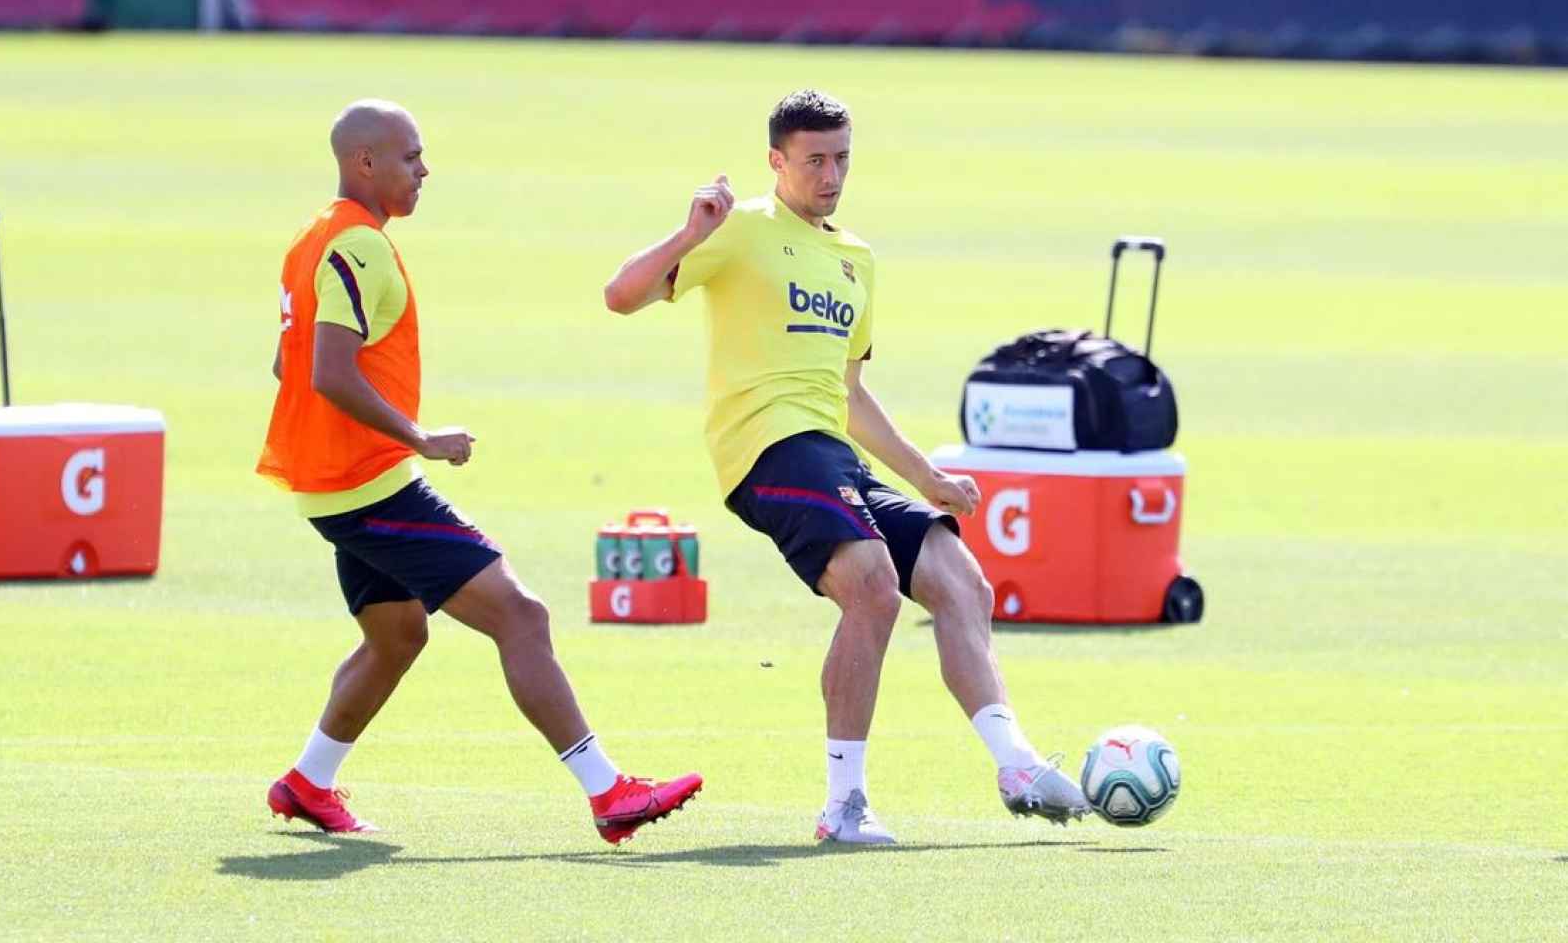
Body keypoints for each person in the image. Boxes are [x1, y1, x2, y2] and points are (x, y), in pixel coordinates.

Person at [602, 89, 1087, 844]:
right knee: (874, 587)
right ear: (777, 162)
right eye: (814, 160)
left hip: (832, 450)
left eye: (842, 159)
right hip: (766, 444)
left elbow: (850, 393)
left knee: (960, 578)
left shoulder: (857, 260)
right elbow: (620, 296)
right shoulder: (739, 231)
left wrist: (928, 479)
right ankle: (844, 804)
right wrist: (687, 232)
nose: (831, 176)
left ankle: (1014, 763)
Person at [258, 99, 700, 844]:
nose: (424, 169)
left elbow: (285, 363)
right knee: (521, 616)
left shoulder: (312, 238)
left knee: (398, 636)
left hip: (332, 481)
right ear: (364, 162)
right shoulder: (358, 247)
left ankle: (308, 781)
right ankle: (609, 792)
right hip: (369, 483)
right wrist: (418, 437)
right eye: (410, 156)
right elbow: (327, 372)